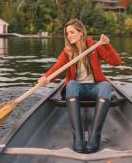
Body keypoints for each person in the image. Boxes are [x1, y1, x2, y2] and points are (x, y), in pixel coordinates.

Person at [38, 19, 121, 154]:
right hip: (76, 90)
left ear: (81, 32)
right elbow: (57, 68)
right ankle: (78, 136)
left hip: (94, 87)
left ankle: (95, 135)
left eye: (72, 32)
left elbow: (116, 62)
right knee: (71, 84)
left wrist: (106, 45)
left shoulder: (95, 46)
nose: (69, 35)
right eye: (67, 33)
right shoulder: (67, 51)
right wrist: (45, 78)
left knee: (105, 86)